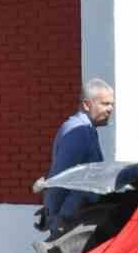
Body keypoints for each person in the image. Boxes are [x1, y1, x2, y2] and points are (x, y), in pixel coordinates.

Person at [43, 78, 114, 228]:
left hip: (78, 217)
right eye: (105, 104)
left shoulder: (87, 129)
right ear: (87, 105)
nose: (110, 109)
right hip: (69, 222)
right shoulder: (77, 132)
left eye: (111, 104)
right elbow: (60, 177)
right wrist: (54, 219)